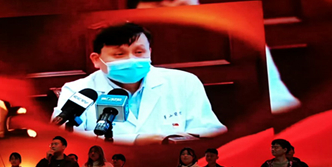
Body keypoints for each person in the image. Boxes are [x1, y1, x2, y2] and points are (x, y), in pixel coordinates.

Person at [126, 0, 300, 115]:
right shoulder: (120, 51)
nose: (176, 20)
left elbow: (280, 101)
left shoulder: (240, 38)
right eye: (160, 11)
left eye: (185, 7)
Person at [53, 23, 227, 144]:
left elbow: (212, 131)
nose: (131, 60)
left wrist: (172, 140)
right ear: (96, 59)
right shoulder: (78, 90)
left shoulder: (184, 82)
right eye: (119, 54)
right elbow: (65, 140)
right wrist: (136, 141)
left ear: (149, 52)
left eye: (139, 52)